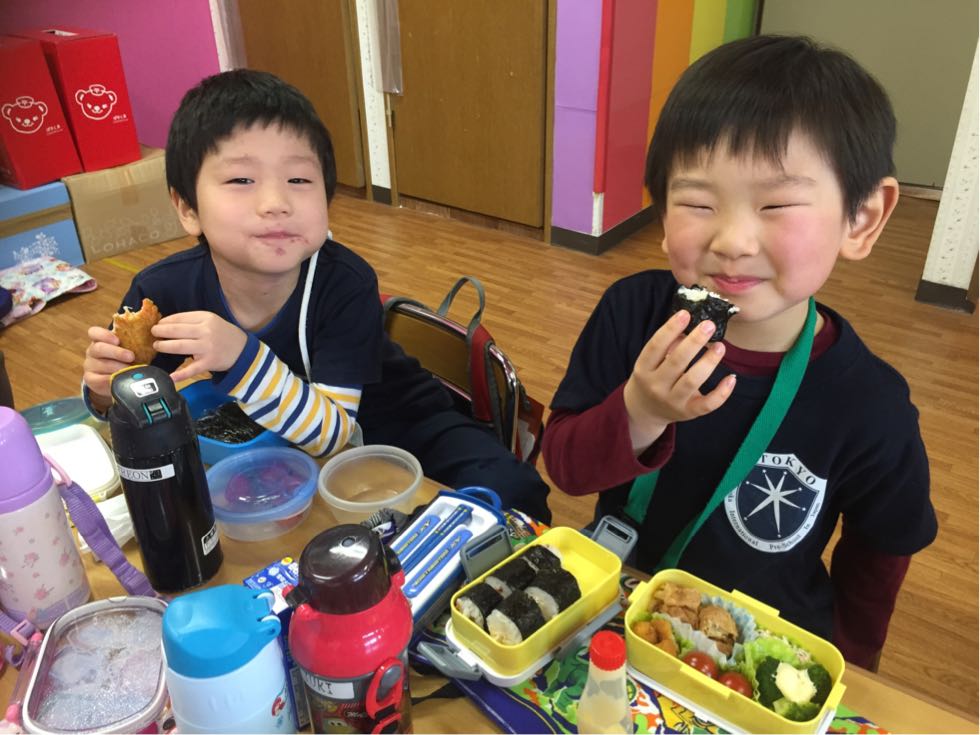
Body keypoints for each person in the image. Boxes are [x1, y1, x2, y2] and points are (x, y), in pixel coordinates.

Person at [541, 35, 935, 668]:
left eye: (776, 204)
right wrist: (640, 410)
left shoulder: (872, 404)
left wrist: (856, 671)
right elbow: (566, 469)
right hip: (622, 613)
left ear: (861, 218)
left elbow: (881, 552)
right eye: (698, 203)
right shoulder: (632, 312)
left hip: (758, 656)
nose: (731, 240)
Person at [82, 69, 550, 522]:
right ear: (187, 208)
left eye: (299, 180)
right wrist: (105, 394)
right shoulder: (162, 290)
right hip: (274, 438)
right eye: (241, 180)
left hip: (398, 421)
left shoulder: (344, 282)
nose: (275, 203)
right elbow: (137, 402)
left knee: (512, 491)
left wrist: (240, 356)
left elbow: (334, 435)